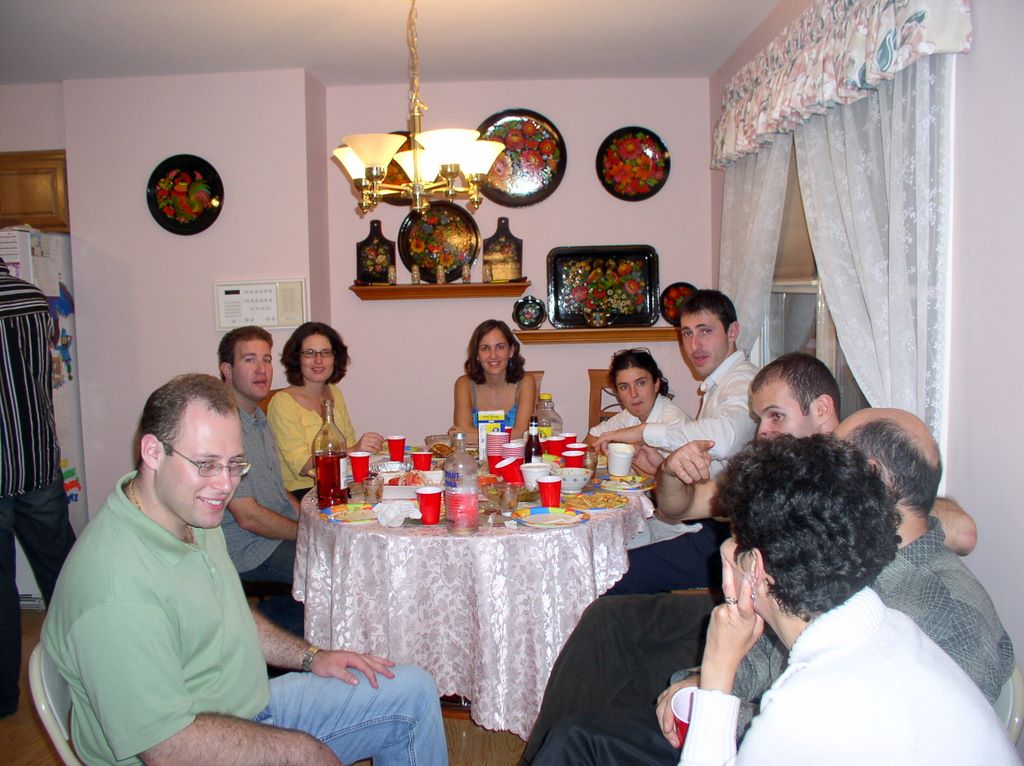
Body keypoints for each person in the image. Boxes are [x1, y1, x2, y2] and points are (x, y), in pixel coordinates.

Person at [42, 373, 447, 766]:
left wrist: (312, 657)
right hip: (193, 745)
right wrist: (301, 754)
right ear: (152, 452)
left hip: (247, 707)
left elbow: (233, 615)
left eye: (235, 464)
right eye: (206, 464)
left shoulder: (189, 513)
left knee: (411, 690)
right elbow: (166, 748)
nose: (225, 485)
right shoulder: (115, 590)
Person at [520, 353, 840, 762]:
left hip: (767, 640)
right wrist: (670, 471)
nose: (763, 431)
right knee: (604, 617)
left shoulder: (849, 481)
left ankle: (586, 739)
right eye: (760, 418)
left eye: (776, 416)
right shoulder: (771, 472)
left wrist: (705, 678)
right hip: (745, 615)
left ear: (822, 410)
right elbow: (679, 508)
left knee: (595, 715)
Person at [674, 436, 1014, 765]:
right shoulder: (896, 627)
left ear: (755, 568)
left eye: (733, 539)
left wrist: (717, 669)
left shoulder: (802, 707)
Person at [597, 291, 758, 595]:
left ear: (732, 332)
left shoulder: (743, 383)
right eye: (687, 333)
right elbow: (711, 469)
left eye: (705, 331)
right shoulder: (718, 384)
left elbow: (721, 439)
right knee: (609, 551)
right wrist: (660, 468)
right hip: (704, 517)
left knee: (609, 573)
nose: (695, 345)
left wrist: (644, 432)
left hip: (726, 536)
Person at [0, 256, 76, 717]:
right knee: (64, 576)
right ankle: (88, 671)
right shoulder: (32, 298)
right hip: (37, 458)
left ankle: (3, 698)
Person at [218, 325, 304, 635]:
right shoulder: (223, 426)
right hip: (249, 549)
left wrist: (313, 524)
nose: (262, 369)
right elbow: (248, 516)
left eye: (266, 360)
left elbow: (279, 491)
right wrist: (304, 534)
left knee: (338, 557)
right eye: (250, 359)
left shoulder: (258, 417)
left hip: (273, 537)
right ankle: (259, 630)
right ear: (227, 370)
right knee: (330, 570)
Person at [268, 322, 384, 499]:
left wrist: (366, 448)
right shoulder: (282, 402)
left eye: (325, 352)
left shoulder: (335, 393)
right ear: (297, 358)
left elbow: (348, 443)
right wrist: (354, 449)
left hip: (341, 483)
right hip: (304, 492)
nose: (318, 360)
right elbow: (302, 466)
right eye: (309, 353)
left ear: (335, 358)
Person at [584, 347, 688, 454]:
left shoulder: (675, 420)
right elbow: (592, 438)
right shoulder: (629, 416)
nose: (633, 394)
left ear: (656, 384)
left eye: (640, 383)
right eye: (624, 387)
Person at [450, 319, 536, 443]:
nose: (493, 355)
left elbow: (523, 433)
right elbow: (462, 436)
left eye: (500, 347)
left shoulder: (526, 382)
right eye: (485, 348)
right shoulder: (463, 384)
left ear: (511, 351)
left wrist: (473, 436)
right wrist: (508, 434)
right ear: (477, 355)